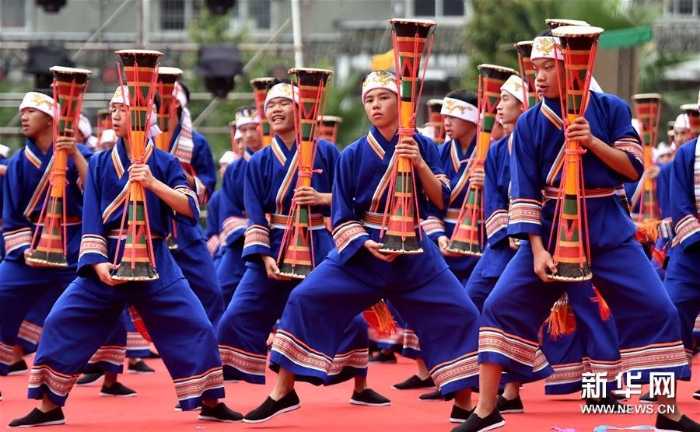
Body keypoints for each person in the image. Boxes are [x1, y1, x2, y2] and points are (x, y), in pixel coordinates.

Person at [457, 31, 696, 432]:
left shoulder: (611, 109)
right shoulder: (530, 123)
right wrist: (535, 250)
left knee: (660, 309)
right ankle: (486, 409)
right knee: (498, 305)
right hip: (550, 234)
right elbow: (526, 190)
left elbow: (633, 167)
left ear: (574, 68)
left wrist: (592, 141)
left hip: (608, 231)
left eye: (549, 67)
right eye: (536, 69)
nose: (541, 77)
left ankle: (667, 411)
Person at [243, 71, 480, 425]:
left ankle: (463, 402)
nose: (374, 106)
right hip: (362, 253)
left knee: (461, 312)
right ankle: (283, 391)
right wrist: (365, 242)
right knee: (305, 297)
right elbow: (341, 212)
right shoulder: (353, 153)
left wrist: (416, 160)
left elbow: (440, 198)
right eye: (369, 100)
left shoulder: (426, 146)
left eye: (383, 98)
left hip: (414, 252)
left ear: (400, 104)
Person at [8, 86, 242, 428]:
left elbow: (190, 207)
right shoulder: (101, 161)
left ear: (147, 118)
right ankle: (48, 406)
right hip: (107, 261)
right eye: (113, 108)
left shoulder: (164, 162)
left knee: (196, 324)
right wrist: (97, 262)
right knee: (61, 320)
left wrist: (152, 183)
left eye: (124, 108)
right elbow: (91, 217)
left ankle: (209, 401)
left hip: (156, 259)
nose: (115, 114)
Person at [216, 83, 387, 411]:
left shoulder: (327, 152)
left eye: (284, 103)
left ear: (301, 109)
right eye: (271, 105)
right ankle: (217, 396)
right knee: (236, 314)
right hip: (274, 245)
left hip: (318, 241)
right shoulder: (259, 162)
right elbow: (254, 214)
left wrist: (322, 198)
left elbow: (351, 200)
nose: (276, 110)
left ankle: (360, 385)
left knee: (349, 317)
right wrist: (263, 254)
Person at [0, 91, 90, 378]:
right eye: (22, 112)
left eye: (30, 112)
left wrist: (74, 154)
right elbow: (12, 215)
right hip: (29, 250)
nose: (23, 117)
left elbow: (96, 195)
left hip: (73, 248)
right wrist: (23, 249)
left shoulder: (83, 154)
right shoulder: (18, 162)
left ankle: (105, 371)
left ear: (51, 119)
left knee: (104, 304)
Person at [167, 81, 224, 328]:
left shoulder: (196, 143)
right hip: (144, 226)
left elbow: (206, 190)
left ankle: (211, 347)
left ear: (178, 103)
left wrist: (174, 169)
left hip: (183, 226)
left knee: (210, 289)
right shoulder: (137, 140)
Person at [216, 108, 263, 306]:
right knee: (219, 288)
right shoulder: (234, 169)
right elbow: (228, 211)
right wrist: (254, 230)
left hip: (280, 238)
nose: (249, 134)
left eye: (253, 128)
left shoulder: (276, 160)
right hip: (242, 243)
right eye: (244, 130)